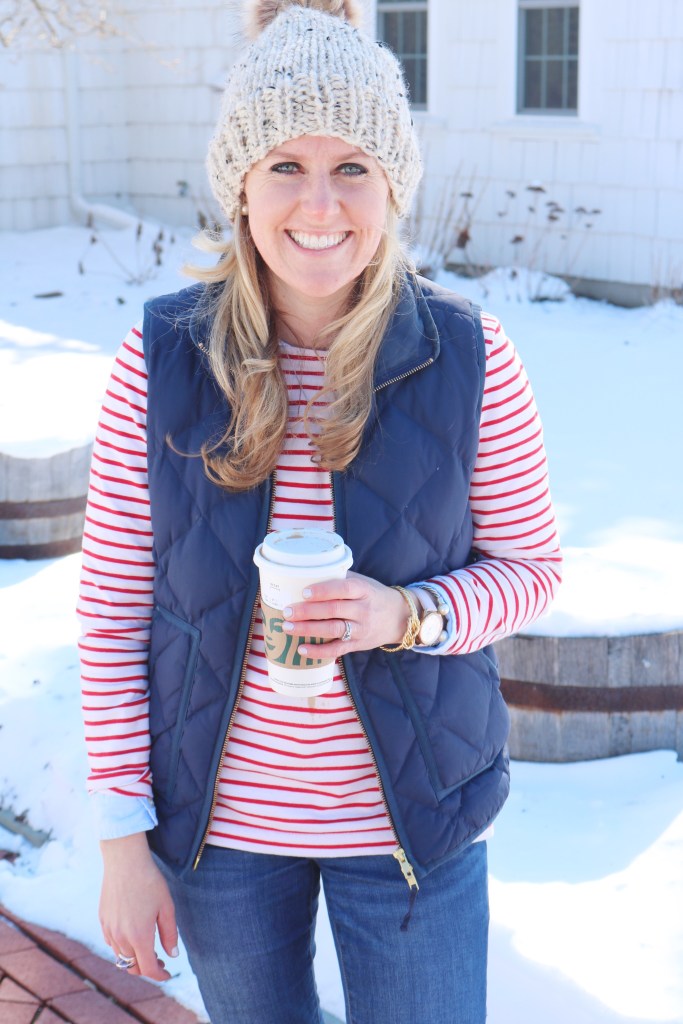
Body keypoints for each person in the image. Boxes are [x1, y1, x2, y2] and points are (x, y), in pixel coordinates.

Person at [78, 1, 562, 1021]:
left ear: (391, 186)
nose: (319, 203)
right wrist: (122, 837)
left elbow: (531, 570)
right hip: (219, 838)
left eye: (351, 167)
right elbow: (115, 612)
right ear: (240, 185)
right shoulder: (161, 361)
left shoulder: (469, 358)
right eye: (285, 166)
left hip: (415, 824)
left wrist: (407, 614)